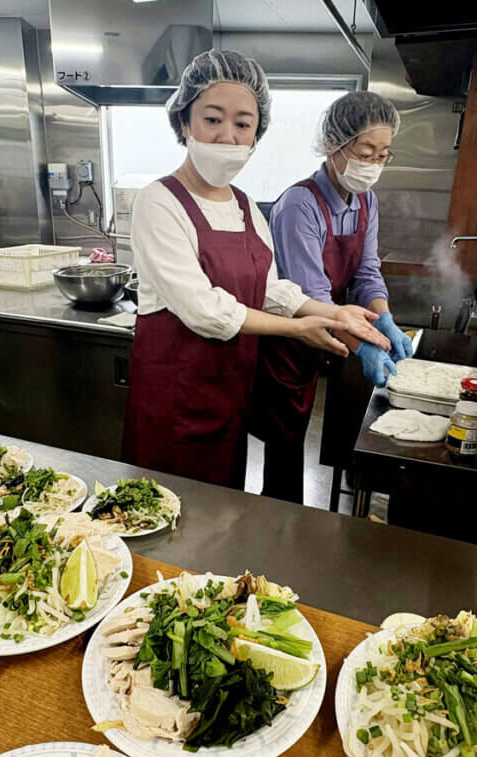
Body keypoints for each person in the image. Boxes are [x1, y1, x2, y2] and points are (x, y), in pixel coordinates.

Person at [123, 50, 389, 490]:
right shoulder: (159, 202)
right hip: (173, 399)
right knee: (163, 516)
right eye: (213, 119)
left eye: (243, 124)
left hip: (229, 395)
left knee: (222, 512)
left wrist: (328, 313)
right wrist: (296, 329)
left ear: (255, 135)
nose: (228, 136)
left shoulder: (245, 205)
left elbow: (269, 289)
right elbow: (205, 310)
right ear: (184, 123)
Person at [254, 91, 412, 503]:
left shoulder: (365, 201)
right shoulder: (298, 205)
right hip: (289, 342)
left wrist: (385, 319)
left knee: (304, 435)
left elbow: (366, 272)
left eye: (383, 155)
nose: (373, 165)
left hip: (333, 330)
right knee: (285, 445)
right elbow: (313, 295)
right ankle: (279, 523)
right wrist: (367, 345)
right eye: (366, 152)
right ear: (333, 144)